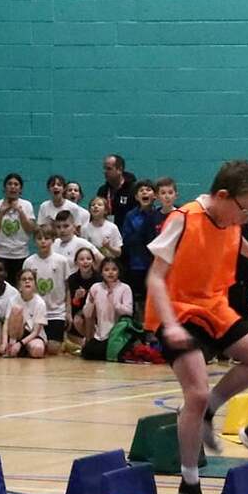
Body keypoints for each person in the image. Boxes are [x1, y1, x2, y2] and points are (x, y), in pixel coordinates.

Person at [146, 160, 248, 494]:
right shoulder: (184, 218)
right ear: (223, 196)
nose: (246, 218)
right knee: (194, 392)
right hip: (177, 310)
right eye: (245, 210)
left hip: (214, 306)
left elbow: (239, 244)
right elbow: (155, 278)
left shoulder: (232, 220)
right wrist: (170, 324)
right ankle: (189, 486)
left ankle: (210, 409)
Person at [21, 222, 73, 349]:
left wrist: (68, 312)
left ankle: (64, 340)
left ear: (53, 240)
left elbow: (67, 288)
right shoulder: (29, 262)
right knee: (36, 348)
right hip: (36, 312)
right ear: (35, 241)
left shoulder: (62, 261)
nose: (43, 242)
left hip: (56, 312)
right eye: (39, 238)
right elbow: (24, 290)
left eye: (47, 238)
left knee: (53, 348)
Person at [119, 178, 165, 318]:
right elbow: (127, 240)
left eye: (148, 189)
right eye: (141, 190)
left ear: (155, 196)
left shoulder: (160, 215)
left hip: (156, 264)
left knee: (156, 297)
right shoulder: (131, 216)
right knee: (139, 299)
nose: (145, 192)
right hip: (137, 265)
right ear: (136, 197)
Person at [84, 256, 132, 360]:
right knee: (88, 352)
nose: (110, 272)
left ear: (119, 271)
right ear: (101, 273)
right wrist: (91, 302)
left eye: (114, 269)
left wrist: (115, 303)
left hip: (118, 335)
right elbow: (87, 314)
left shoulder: (125, 288)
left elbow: (129, 312)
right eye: (106, 270)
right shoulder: (96, 287)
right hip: (100, 335)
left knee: (107, 352)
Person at [0, 269, 50, 358]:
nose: (27, 281)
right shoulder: (13, 300)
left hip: (33, 336)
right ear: (19, 285)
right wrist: (4, 342)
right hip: (17, 334)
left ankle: (21, 350)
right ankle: (11, 346)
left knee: (38, 350)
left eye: (30, 279)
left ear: (35, 284)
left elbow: (35, 332)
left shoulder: (40, 303)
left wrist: (20, 344)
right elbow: (6, 324)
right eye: (24, 279)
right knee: (16, 309)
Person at [0, 172, 36, 264]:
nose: (13, 187)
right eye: (9, 184)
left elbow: (30, 230)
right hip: (1, 254)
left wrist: (20, 212)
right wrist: (1, 212)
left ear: (20, 189)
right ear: (4, 188)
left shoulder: (27, 205)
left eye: (16, 184)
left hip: (21, 254)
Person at [93, 152, 136, 220]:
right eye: (104, 168)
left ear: (120, 170)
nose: (105, 172)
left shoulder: (133, 189)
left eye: (109, 169)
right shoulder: (102, 190)